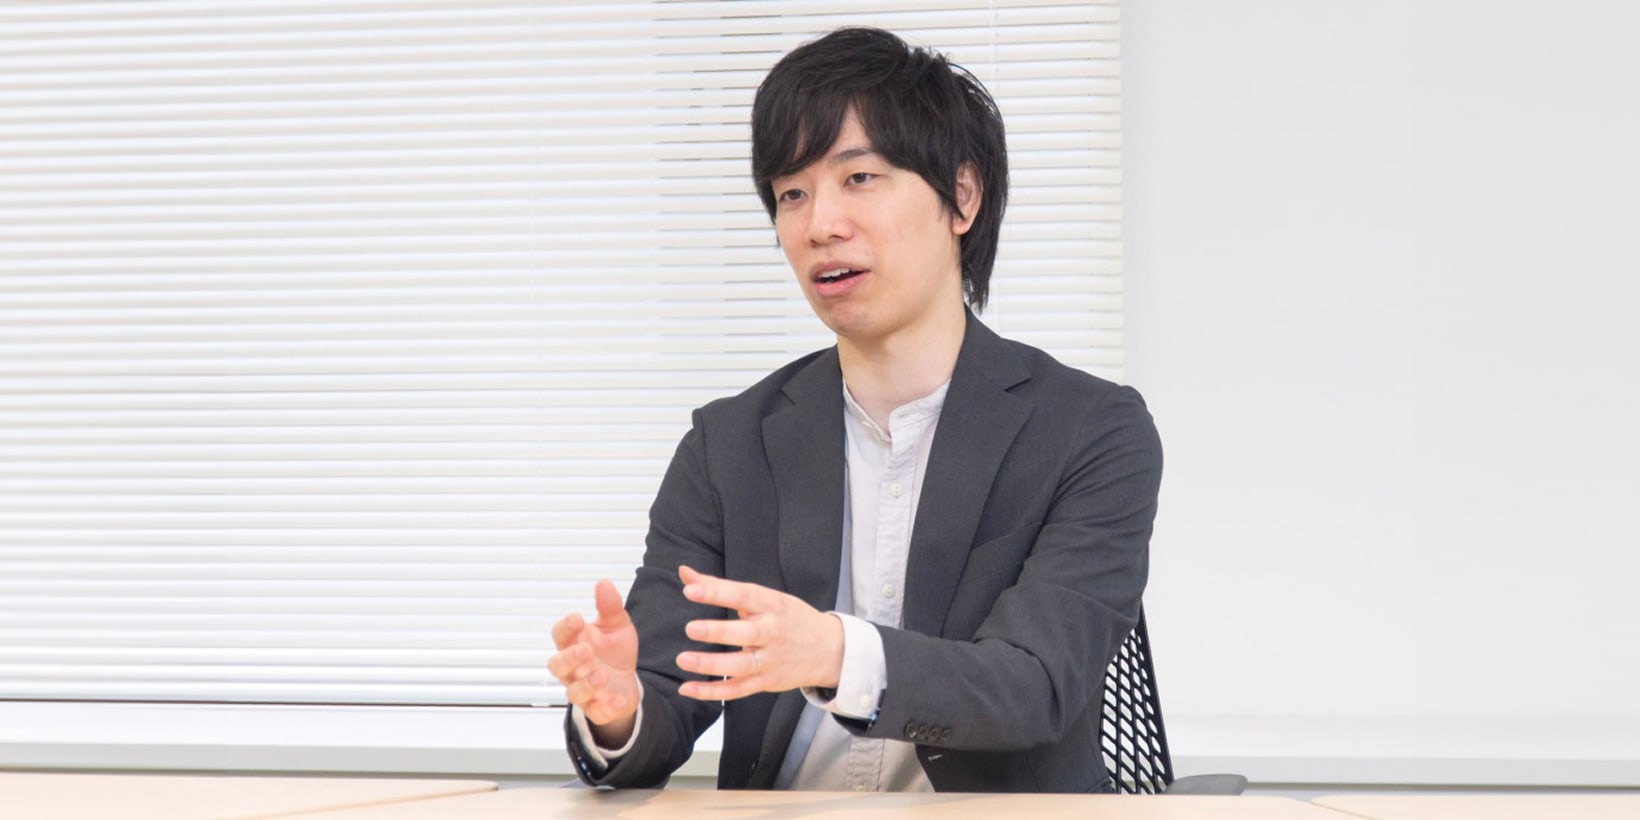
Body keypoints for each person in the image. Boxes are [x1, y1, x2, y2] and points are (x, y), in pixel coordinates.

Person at [547, 26, 1161, 793]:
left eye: (859, 178)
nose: (819, 225)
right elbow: (665, 694)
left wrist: (835, 654)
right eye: (791, 194)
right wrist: (619, 709)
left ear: (961, 197)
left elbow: (1035, 684)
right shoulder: (728, 444)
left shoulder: (1089, 431)